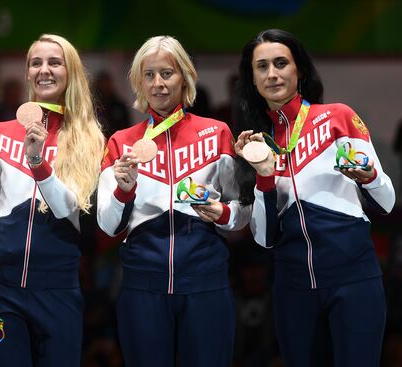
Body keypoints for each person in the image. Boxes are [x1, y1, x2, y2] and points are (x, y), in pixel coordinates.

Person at [233, 29, 396, 367]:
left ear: (300, 70)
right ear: (252, 79)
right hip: (293, 289)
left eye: (281, 63)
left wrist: (370, 177)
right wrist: (263, 173)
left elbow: (387, 201)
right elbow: (264, 238)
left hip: (353, 279)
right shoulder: (256, 144)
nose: (272, 74)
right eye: (261, 67)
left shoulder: (338, 117)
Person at [97, 35, 251, 367]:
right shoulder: (121, 142)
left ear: (185, 76)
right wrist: (124, 190)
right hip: (142, 286)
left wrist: (222, 213)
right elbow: (108, 226)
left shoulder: (217, 133)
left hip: (206, 281)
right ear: (139, 82)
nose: (159, 84)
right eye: (149, 75)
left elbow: (243, 213)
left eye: (167, 73)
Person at [0, 34, 105, 366]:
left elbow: (71, 210)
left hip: (60, 291)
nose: (44, 70)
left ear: (70, 72)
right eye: (36, 62)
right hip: (2, 291)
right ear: (26, 73)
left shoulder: (90, 139)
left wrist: (38, 165)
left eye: (55, 62)